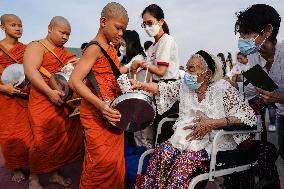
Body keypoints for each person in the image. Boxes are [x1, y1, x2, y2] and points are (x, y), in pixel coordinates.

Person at [131, 50, 257, 188]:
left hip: (214, 142)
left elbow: (247, 115)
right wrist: (141, 85)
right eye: (186, 68)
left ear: (208, 74)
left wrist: (213, 123)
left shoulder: (223, 89)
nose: (187, 74)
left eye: (191, 70)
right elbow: (162, 88)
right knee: (162, 153)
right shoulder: (185, 86)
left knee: (183, 163)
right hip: (185, 138)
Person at [68, 2, 128, 188]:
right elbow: (74, 81)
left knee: (113, 164)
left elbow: (108, 77)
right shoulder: (95, 47)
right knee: (100, 165)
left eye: (123, 30)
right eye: (118, 28)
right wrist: (100, 105)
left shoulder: (110, 47)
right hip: (97, 112)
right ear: (103, 21)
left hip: (111, 112)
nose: (120, 33)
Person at [23, 16, 84, 189]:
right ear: (50, 28)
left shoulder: (65, 52)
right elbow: (30, 70)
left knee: (61, 139)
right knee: (41, 140)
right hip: (43, 100)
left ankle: (55, 174)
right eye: (62, 32)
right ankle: (34, 178)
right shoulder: (37, 46)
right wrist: (49, 92)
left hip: (63, 103)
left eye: (68, 34)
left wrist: (76, 63)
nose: (65, 37)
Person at [235, 4, 284, 157]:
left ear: (268, 31)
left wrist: (280, 98)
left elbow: (273, 95)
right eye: (241, 35)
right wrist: (229, 85)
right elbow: (251, 89)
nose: (242, 40)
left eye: (247, 34)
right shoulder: (253, 57)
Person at [131, 4, 180, 145]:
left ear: (161, 21)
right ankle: (157, 161)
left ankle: (165, 162)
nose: (147, 27)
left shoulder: (167, 40)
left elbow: (160, 71)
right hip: (156, 88)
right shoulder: (153, 46)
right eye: (144, 24)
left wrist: (142, 64)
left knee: (165, 130)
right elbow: (149, 67)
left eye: (150, 23)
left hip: (167, 88)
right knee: (157, 128)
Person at [0, 13, 33, 183]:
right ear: (2, 27)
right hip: (5, 100)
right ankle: (16, 167)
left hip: (27, 97)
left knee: (30, 132)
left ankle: (34, 166)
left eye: (20, 25)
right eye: (13, 25)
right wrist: (3, 88)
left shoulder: (27, 49)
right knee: (10, 134)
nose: (18, 28)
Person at [119, 30, 153, 148]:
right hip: (134, 98)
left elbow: (120, 71)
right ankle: (140, 157)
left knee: (144, 134)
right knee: (137, 132)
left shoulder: (138, 58)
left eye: (123, 44)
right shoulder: (126, 58)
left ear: (130, 43)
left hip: (143, 98)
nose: (121, 47)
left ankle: (146, 158)